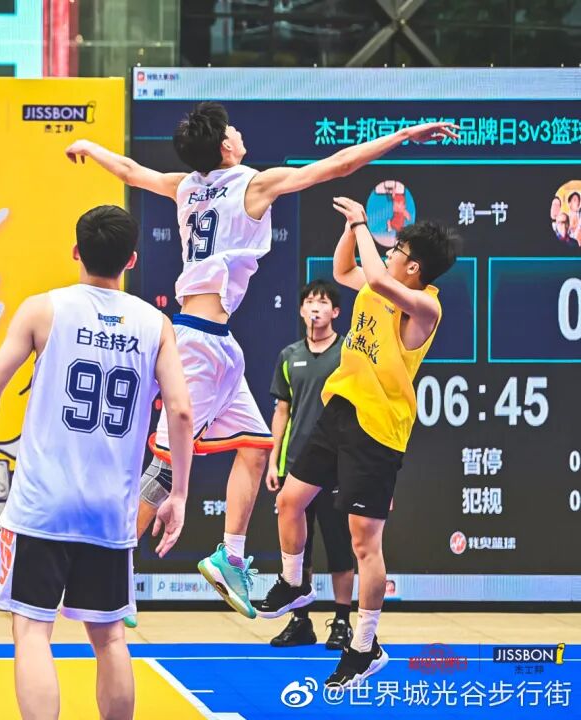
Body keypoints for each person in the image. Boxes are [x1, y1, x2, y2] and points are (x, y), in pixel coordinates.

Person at [65, 106, 458, 619]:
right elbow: (338, 165)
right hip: (198, 341)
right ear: (226, 148)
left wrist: (90, 148)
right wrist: (405, 133)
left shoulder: (186, 186)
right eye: (231, 129)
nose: (238, 132)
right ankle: (111, 577)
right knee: (164, 469)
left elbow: (131, 171)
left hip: (218, 342)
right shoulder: (252, 184)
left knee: (256, 447)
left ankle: (230, 558)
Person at [0, 205, 193, 720]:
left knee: (32, 631)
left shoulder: (43, 310)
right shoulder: (155, 324)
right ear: (132, 259)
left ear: (76, 252)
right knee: (109, 637)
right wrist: (178, 492)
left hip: (42, 506)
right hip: (109, 511)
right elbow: (181, 411)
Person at [261, 198, 459, 687]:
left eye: (398, 250)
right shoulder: (375, 284)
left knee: (363, 542)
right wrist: (351, 231)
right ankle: (293, 582)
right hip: (341, 410)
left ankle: (365, 645)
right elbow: (342, 269)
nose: (389, 253)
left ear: (413, 267)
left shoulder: (425, 306)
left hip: (379, 430)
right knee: (289, 501)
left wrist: (362, 223)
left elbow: (376, 278)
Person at [263, 280, 354, 650]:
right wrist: (273, 460)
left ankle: (343, 622)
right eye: (310, 302)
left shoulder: (348, 352)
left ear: (336, 312)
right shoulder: (289, 356)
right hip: (296, 466)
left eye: (324, 302)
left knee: (339, 546)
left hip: (336, 466)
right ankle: (300, 621)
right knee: (299, 548)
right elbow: (282, 411)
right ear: (302, 311)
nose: (316, 307)